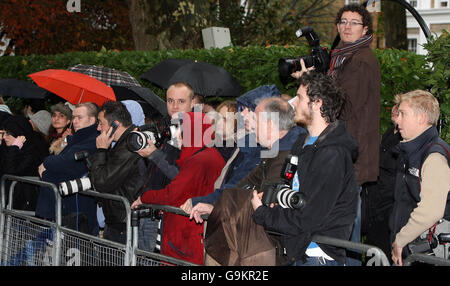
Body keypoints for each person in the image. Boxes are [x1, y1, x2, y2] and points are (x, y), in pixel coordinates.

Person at [250, 72, 359, 266]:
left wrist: (263, 214)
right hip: (297, 249)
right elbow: (290, 188)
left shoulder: (333, 154)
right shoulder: (301, 144)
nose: (294, 103)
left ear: (317, 103)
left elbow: (309, 217)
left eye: (300, 98)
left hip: (318, 255)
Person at [203, 96, 302, 266]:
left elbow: (265, 201)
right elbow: (240, 187)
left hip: (267, 250)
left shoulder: (286, 156)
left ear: (270, 126)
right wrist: (216, 204)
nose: (252, 126)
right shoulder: (272, 153)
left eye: (256, 121)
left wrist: (227, 204)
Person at [131, 112, 226, 265]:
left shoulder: (199, 161)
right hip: (191, 233)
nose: (179, 137)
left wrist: (144, 198)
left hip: (186, 237)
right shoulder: (210, 155)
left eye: (183, 132)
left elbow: (172, 194)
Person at [389, 90, 450, 266]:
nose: (397, 119)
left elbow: (431, 210)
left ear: (421, 118)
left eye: (403, 114)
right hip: (409, 248)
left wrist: (401, 239)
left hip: (427, 251)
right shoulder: (409, 151)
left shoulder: (434, 157)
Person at [35, 102, 99, 235]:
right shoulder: (77, 138)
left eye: (79, 117)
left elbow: (66, 163)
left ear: (92, 120)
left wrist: (46, 164)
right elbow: (62, 160)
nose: (75, 121)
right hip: (62, 207)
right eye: (74, 117)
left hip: (75, 209)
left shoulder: (92, 140)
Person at [88, 101, 145, 244]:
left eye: (101, 123)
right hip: (118, 220)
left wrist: (101, 150)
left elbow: (101, 182)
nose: (98, 128)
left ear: (116, 125)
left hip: (124, 223)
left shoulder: (129, 147)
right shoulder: (121, 143)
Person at [363, 104, 402, 263]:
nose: (394, 109)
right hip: (375, 197)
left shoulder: (405, 137)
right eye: (395, 106)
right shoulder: (389, 132)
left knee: (382, 246)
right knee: (373, 247)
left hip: (389, 202)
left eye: (399, 108)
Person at [0, 114, 49, 211]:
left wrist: (14, 148)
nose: (5, 137)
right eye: (3, 133)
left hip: (23, 205)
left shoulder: (33, 151)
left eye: (8, 134)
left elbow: (10, 171)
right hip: (7, 202)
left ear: (20, 135)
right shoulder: (5, 148)